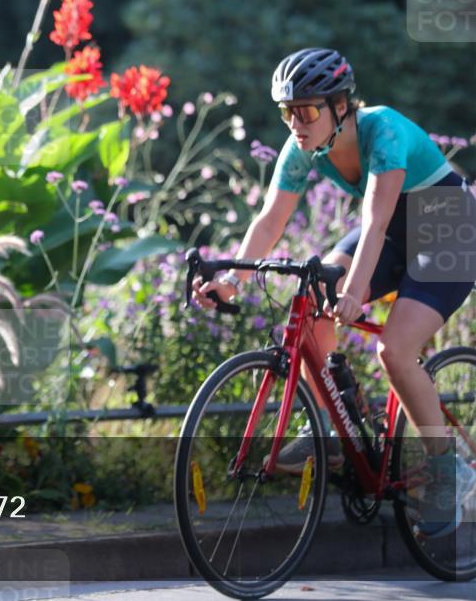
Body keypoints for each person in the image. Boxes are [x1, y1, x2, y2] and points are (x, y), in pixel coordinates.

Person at [192, 47, 476, 538]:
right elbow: (271, 219)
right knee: (314, 305)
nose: (295, 123)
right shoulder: (301, 148)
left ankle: (450, 470)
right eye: (287, 112)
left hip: (447, 231)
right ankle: (328, 423)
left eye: (306, 111)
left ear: (340, 105)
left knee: (394, 349)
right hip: (391, 237)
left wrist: (357, 287)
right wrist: (231, 280)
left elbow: (375, 219)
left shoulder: (381, 129)